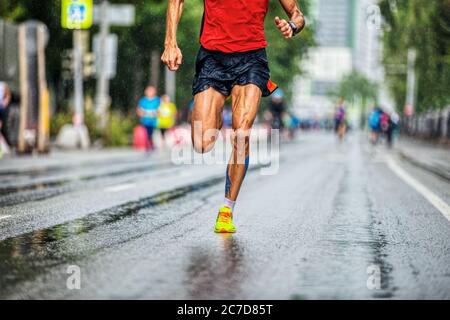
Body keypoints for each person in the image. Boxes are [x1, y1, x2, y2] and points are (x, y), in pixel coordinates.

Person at [162, 0, 305, 233]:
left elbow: (298, 15)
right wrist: (170, 42)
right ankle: (217, 111)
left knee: (241, 132)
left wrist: (292, 26)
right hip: (213, 57)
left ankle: (227, 211)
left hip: (252, 60)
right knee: (201, 142)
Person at [137, 86, 160, 151]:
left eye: (151, 91)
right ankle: (148, 143)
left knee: (153, 132)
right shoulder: (143, 100)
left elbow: (160, 109)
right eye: (148, 91)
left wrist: (156, 113)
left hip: (154, 121)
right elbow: (139, 109)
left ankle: (152, 143)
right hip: (145, 120)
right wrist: (141, 114)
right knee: (146, 132)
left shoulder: (157, 100)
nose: (150, 92)